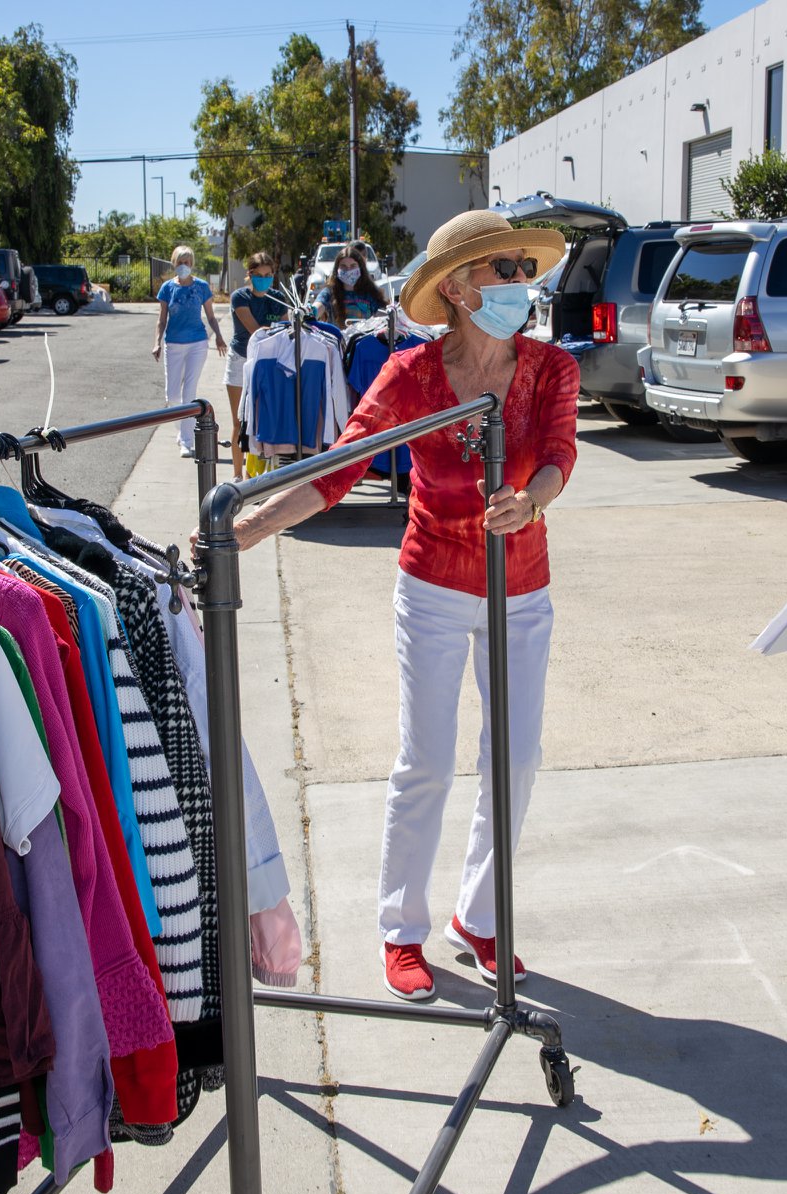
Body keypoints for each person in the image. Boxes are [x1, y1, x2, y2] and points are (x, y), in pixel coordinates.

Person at [227, 210, 576, 1001]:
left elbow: (559, 454)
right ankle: (401, 928)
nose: (524, 283)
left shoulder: (551, 369)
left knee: (515, 760)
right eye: (506, 270)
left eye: (527, 268)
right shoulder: (409, 377)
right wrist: (250, 525)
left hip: (523, 590)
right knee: (425, 759)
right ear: (456, 287)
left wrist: (530, 500)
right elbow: (341, 466)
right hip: (434, 590)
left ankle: (481, 919)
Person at [153, 245, 223, 458]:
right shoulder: (167, 288)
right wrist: (157, 342)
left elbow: (210, 316)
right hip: (173, 344)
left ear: (192, 264)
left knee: (189, 393)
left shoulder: (201, 287)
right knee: (173, 396)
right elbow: (162, 319)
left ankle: (186, 441)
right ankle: (181, 431)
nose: (184, 266)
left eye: (188, 262)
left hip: (197, 344)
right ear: (174, 263)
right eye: (180, 262)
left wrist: (219, 336)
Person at [227, 251, 287, 480]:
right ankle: (237, 475)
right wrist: (275, 328)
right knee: (238, 421)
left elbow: (285, 331)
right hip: (241, 359)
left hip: (269, 363)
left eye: (268, 274)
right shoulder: (239, 297)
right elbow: (255, 331)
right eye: (259, 274)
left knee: (262, 419)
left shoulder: (278, 298)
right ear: (250, 274)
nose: (264, 278)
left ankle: (259, 475)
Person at [314, 245, 383, 326]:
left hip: (365, 337)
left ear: (360, 268)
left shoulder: (370, 293)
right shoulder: (329, 292)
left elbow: (382, 316)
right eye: (343, 266)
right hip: (337, 338)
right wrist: (309, 312)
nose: (348, 270)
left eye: (353, 266)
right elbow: (319, 305)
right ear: (337, 269)